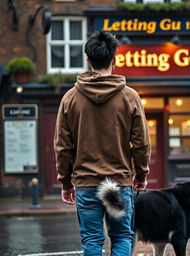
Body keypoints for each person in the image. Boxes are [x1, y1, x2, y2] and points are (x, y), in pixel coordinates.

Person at [54, 31, 151, 256]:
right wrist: (141, 175)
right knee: (122, 237)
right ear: (114, 60)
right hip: (119, 183)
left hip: (86, 184)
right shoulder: (130, 97)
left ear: (88, 60)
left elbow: (62, 146)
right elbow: (141, 143)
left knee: (92, 240)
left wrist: (66, 182)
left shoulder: (70, 98)